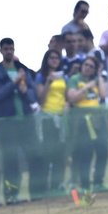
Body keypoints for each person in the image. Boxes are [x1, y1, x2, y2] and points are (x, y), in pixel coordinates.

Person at [0, 37, 37, 204]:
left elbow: (32, 95)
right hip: (7, 122)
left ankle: (35, 193)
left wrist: (23, 89)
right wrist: (14, 83)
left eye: (11, 49)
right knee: (11, 161)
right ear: (1, 51)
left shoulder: (22, 70)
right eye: (6, 49)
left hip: (25, 119)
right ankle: (11, 196)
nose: (9, 51)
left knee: (32, 157)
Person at [67, 56, 108, 192]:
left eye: (91, 66)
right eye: (86, 65)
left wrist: (99, 77)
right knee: (86, 153)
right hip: (82, 119)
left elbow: (103, 95)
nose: (88, 68)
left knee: (103, 149)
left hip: (97, 117)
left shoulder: (96, 81)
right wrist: (86, 87)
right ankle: (85, 185)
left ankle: (98, 182)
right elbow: (72, 98)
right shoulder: (75, 79)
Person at [32, 49, 68, 198]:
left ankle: (57, 184)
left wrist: (67, 104)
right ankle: (44, 188)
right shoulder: (41, 76)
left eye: (57, 58)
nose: (54, 60)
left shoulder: (63, 77)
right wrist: (48, 82)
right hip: (47, 117)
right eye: (51, 58)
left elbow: (66, 95)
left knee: (60, 154)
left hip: (61, 118)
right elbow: (40, 98)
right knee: (48, 153)